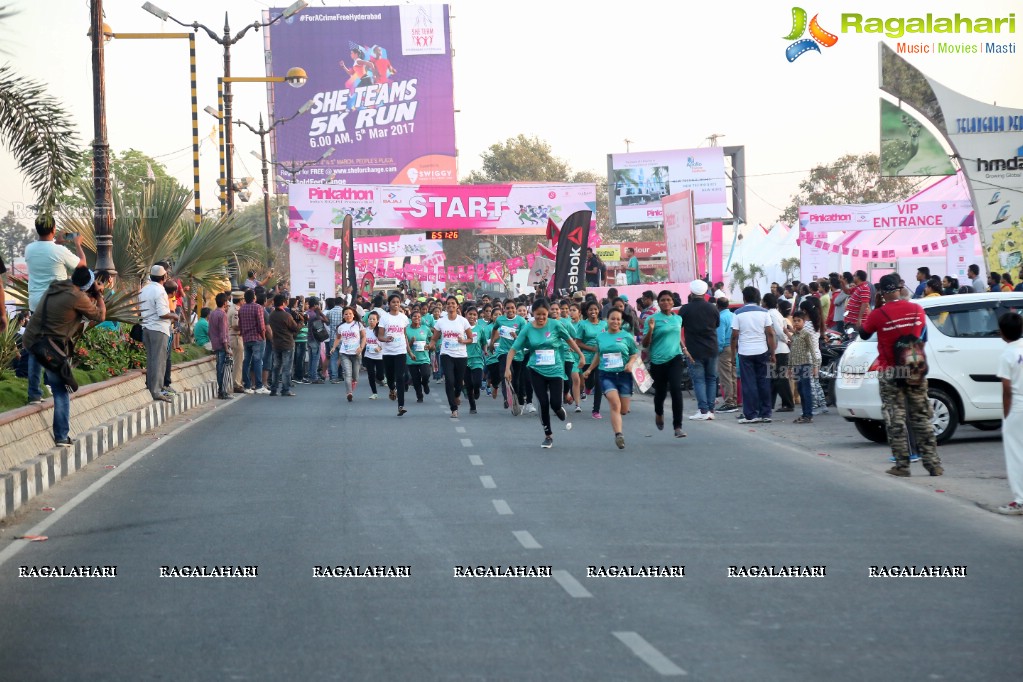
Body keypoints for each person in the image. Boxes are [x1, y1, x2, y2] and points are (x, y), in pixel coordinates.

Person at [860, 274, 942, 477]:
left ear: (881, 292)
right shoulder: (917, 309)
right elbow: (922, 336)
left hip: (891, 371)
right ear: (900, 288)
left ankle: (902, 465)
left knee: (895, 418)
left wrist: (875, 308)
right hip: (915, 369)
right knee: (921, 415)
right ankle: (933, 464)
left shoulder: (878, 314)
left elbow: (863, 333)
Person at [23, 266, 106, 445]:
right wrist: (98, 295)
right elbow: (100, 316)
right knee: (61, 390)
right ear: (87, 285)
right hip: (50, 348)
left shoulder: (56, 286)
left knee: (35, 358)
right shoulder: (78, 297)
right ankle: (61, 435)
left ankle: (34, 395)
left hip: (32, 338)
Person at [25, 216, 86, 405]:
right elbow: (82, 266)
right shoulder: (59, 250)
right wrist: (76, 244)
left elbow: (45, 254)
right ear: (53, 229)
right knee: (55, 345)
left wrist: (55, 242)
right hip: (55, 304)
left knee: (36, 347)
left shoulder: (29, 249)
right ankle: (56, 384)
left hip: (36, 303)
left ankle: (34, 393)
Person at [507, 299, 585, 448]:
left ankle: (558, 408)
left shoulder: (555, 325)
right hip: (536, 370)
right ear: (532, 314)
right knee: (543, 403)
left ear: (548, 313)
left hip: (555, 369)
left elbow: (570, 340)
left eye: (544, 314)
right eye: (538, 315)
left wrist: (580, 355)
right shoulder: (528, 328)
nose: (541, 318)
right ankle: (548, 435)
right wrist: (506, 369)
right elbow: (513, 349)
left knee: (555, 403)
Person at [583, 309, 640, 450]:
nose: (615, 322)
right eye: (612, 319)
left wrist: (630, 363)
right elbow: (598, 355)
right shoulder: (601, 337)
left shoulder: (626, 336)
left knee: (624, 410)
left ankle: (618, 421)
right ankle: (619, 434)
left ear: (621, 321)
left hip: (624, 375)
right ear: (607, 320)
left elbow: (634, 353)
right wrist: (590, 369)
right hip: (606, 374)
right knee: (615, 404)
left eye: (618, 319)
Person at [643, 289, 686, 438]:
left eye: (668, 300)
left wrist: (685, 350)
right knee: (660, 393)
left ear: (673, 302)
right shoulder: (652, 319)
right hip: (658, 361)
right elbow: (645, 343)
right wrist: (651, 330)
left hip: (675, 358)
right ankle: (659, 413)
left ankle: (677, 426)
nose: (666, 302)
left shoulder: (678, 319)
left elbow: (677, 336)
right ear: (658, 303)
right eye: (662, 300)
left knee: (675, 389)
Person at [730, 287, 777, 424]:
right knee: (764, 382)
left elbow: (734, 336)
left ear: (744, 298)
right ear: (758, 298)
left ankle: (751, 414)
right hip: (762, 351)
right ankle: (766, 413)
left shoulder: (738, 313)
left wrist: (733, 355)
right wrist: (772, 352)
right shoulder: (764, 312)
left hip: (745, 352)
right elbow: (770, 333)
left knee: (749, 384)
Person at [993, 312, 1023, 514]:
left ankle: (1020, 499)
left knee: (1015, 454)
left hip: (1017, 407)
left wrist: (1006, 414)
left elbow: (1006, 389)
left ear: (1002, 332)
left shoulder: (1007, 353)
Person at [680, 280, 720, 421]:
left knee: (699, 380)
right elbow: (716, 325)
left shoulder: (685, 309)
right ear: (705, 293)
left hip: (693, 350)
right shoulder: (713, 308)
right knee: (711, 379)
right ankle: (710, 410)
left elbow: (679, 327)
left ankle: (703, 410)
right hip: (712, 348)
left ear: (691, 292)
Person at [138, 265, 178, 403]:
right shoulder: (160, 291)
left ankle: (151, 387)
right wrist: (174, 316)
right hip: (159, 329)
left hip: (146, 328)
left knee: (151, 359)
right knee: (159, 360)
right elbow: (162, 314)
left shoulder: (144, 289)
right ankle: (157, 391)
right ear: (164, 277)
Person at [432, 297, 475, 418]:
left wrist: (463, 340)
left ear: (457, 306)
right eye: (448, 304)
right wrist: (429, 345)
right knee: (449, 381)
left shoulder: (463, 321)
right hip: (446, 354)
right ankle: (453, 409)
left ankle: (457, 395)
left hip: (461, 355)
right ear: (445, 307)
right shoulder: (441, 322)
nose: (450, 305)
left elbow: (471, 339)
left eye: (453, 303)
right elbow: (434, 338)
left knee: (458, 382)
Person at [488, 299, 528, 415]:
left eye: (512, 308)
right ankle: (506, 398)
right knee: (505, 373)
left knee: (515, 380)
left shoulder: (521, 321)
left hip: (517, 354)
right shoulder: (500, 320)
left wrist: (516, 336)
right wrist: (492, 343)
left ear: (515, 309)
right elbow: (494, 328)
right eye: (508, 308)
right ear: (504, 309)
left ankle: (516, 401)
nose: (510, 310)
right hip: (503, 351)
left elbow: (524, 338)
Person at [378, 293, 411, 416]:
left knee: (400, 377)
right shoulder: (384, 318)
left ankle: (401, 405)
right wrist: (385, 339)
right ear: (389, 304)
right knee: (390, 378)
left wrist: (409, 351)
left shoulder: (403, 318)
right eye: (393, 302)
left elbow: (405, 335)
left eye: (398, 302)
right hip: (388, 352)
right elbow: (380, 335)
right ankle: (392, 389)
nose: (396, 304)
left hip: (400, 351)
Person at [574, 301, 607, 419]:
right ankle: (587, 388)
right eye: (590, 310)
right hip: (587, 358)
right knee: (589, 382)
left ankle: (596, 410)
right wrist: (592, 348)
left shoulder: (604, 324)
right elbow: (577, 342)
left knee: (599, 383)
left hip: (601, 359)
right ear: (586, 311)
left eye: (595, 309)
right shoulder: (582, 324)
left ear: (599, 310)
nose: (593, 312)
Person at [763, 294, 794, 413]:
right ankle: (769, 403)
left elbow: (779, 331)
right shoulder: (777, 313)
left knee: (780, 378)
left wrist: (787, 341)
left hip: (779, 349)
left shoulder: (770, 314)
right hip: (780, 349)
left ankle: (788, 403)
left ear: (765, 303)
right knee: (773, 377)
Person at [787, 310, 817, 424]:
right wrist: (789, 368)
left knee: (806, 390)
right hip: (796, 366)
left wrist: (815, 366)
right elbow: (792, 352)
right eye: (794, 321)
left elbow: (813, 351)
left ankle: (808, 415)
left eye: (798, 321)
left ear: (804, 321)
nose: (796, 323)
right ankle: (804, 414)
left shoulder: (806, 334)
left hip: (805, 365)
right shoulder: (794, 335)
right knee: (800, 390)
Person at [267, 293, 299, 397]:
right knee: (286, 368)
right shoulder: (286, 315)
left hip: (276, 344)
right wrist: (302, 321)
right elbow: (295, 328)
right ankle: (285, 389)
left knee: (276, 367)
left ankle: (274, 389)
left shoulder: (271, 315)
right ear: (284, 302)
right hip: (287, 344)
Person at [331, 306, 365, 402]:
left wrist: (361, 347)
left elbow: (363, 337)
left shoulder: (358, 324)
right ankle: (349, 393)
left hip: (356, 353)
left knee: (355, 376)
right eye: (346, 314)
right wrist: (333, 347)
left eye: (350, 313)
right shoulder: (341, 327)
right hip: (344, 353)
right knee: (347, 374)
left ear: (353, 315)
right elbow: (338, 338)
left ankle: (353, 383)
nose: (348, 315)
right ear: (343, 316)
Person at [238, 289, 268, 394]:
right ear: (254, 298)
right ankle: (259, 386)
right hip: (257, 338)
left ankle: (247, 385)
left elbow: (240, 324)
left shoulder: (241, 309)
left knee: (246, 361)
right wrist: (263, 336)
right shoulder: (258, 307)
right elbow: (261, 324)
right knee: (258, 361)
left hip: (246, 338)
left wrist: (243, 334)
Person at [208, 292, 232, 399]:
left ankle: (221, 390)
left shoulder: (212, 313)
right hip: (222, 345)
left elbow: (210, 331)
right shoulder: (222, 315)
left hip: (215, 344)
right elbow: (223, 333)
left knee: (219, 368)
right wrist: (227, 348)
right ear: (224, 302)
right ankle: (222, 391)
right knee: (223, 369)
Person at [715, 298, 738, 412]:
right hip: (734, 347)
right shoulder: (733, 315)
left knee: (725, 376)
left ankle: (729, 402)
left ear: (717, 306)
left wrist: (718, 350)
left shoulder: (721, 317)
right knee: (732, 374)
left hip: (725, 348)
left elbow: (720, 337)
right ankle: (734, 399)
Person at [405, 310, 433, 403]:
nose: (417, 318)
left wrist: (429, 346)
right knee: (415, 379)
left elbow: (431, 339)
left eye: (419, 317)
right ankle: (419, 396)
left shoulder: (425, 328)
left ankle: (425, 384)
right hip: (412, 358)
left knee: (426, 374)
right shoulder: (407, 329)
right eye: (414, 316)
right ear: (411, 318)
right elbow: (405, 345)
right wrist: (411, 342)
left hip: (424, 358)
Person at [362, 311, 385, 399]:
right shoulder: (365, 330)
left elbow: (384, 341)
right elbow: (363, 341)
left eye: (373, 319)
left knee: (380, 375)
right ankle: (374, 393)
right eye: (370, 319)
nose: (371, 321)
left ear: (377, 320)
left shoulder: (380, 330)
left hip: (379, 356)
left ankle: (380, 379)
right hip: (369, 355)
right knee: (370, 374)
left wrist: (380, 347)